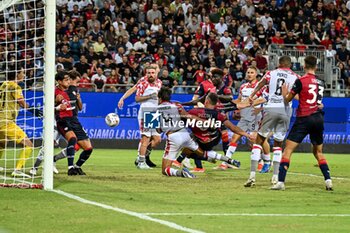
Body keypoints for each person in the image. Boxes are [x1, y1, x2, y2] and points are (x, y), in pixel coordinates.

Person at [271, 55, 332, 191]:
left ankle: (280, 182)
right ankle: (328, 180)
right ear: (316, 67)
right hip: (318, 118)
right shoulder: (321, 82)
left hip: (304, 118)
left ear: (304, 65)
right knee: (318, 152)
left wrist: (284, 94)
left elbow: (288, 100)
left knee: (288, 149)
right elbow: (314, 100)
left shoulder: (300, 81)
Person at [244, 56, 300, 187]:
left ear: (279, 63)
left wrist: (252, 96)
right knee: (278, 145)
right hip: (286, 110)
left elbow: (260, 84)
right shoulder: (295, 76)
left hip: (271, 108)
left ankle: (252, 176)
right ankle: (275, 177)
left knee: (259, 141)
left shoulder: (271, 73)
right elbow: (299, 94)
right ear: (290, 65)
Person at [219, 66, 270, 171]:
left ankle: (263, 161)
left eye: (252, 72)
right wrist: (228, 105)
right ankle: (226, 162)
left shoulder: (261, 86)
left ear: (256, 74)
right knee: (234, 138)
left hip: (256, 117)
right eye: (248, 72)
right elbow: (239, 100)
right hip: (244, 117)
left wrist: (256, 107)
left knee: (255, 141)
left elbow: (265, 100)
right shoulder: (243, 87)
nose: (249, 74)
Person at [0, 69, 42, 177]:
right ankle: (18, 170)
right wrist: (32, 109)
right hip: (6, 121)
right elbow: (21, 102)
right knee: (29, 144)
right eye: (22, 73)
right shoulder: (16, 87)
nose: (24, 74)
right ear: (17, 74)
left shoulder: (3, 85)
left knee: (2, 143)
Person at [55, 71, 84, 175]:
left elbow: (79, 108)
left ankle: (67, 165)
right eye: (66, 80)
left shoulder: (71, 91)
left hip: (71, 120)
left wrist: (78, 99)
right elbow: (48, 109)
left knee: (76, 143)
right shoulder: (56, 92)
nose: (69, 82)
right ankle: (36, 168)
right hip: (59, 121)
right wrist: (57, 107)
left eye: (69, 79)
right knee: (49, 145)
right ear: (59, 81)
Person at [135, 66, 162, 169]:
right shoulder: (143, 83)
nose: (151, 74)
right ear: (146, 74)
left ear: (156, 74)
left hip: (155, 113)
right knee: (146, 137)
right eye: (149, 73)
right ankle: (141, 162)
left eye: (153, 73)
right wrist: (150, 96)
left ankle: (141, 157)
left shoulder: (159, 83)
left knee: (157, 139)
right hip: (145, 111)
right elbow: (137, 98)